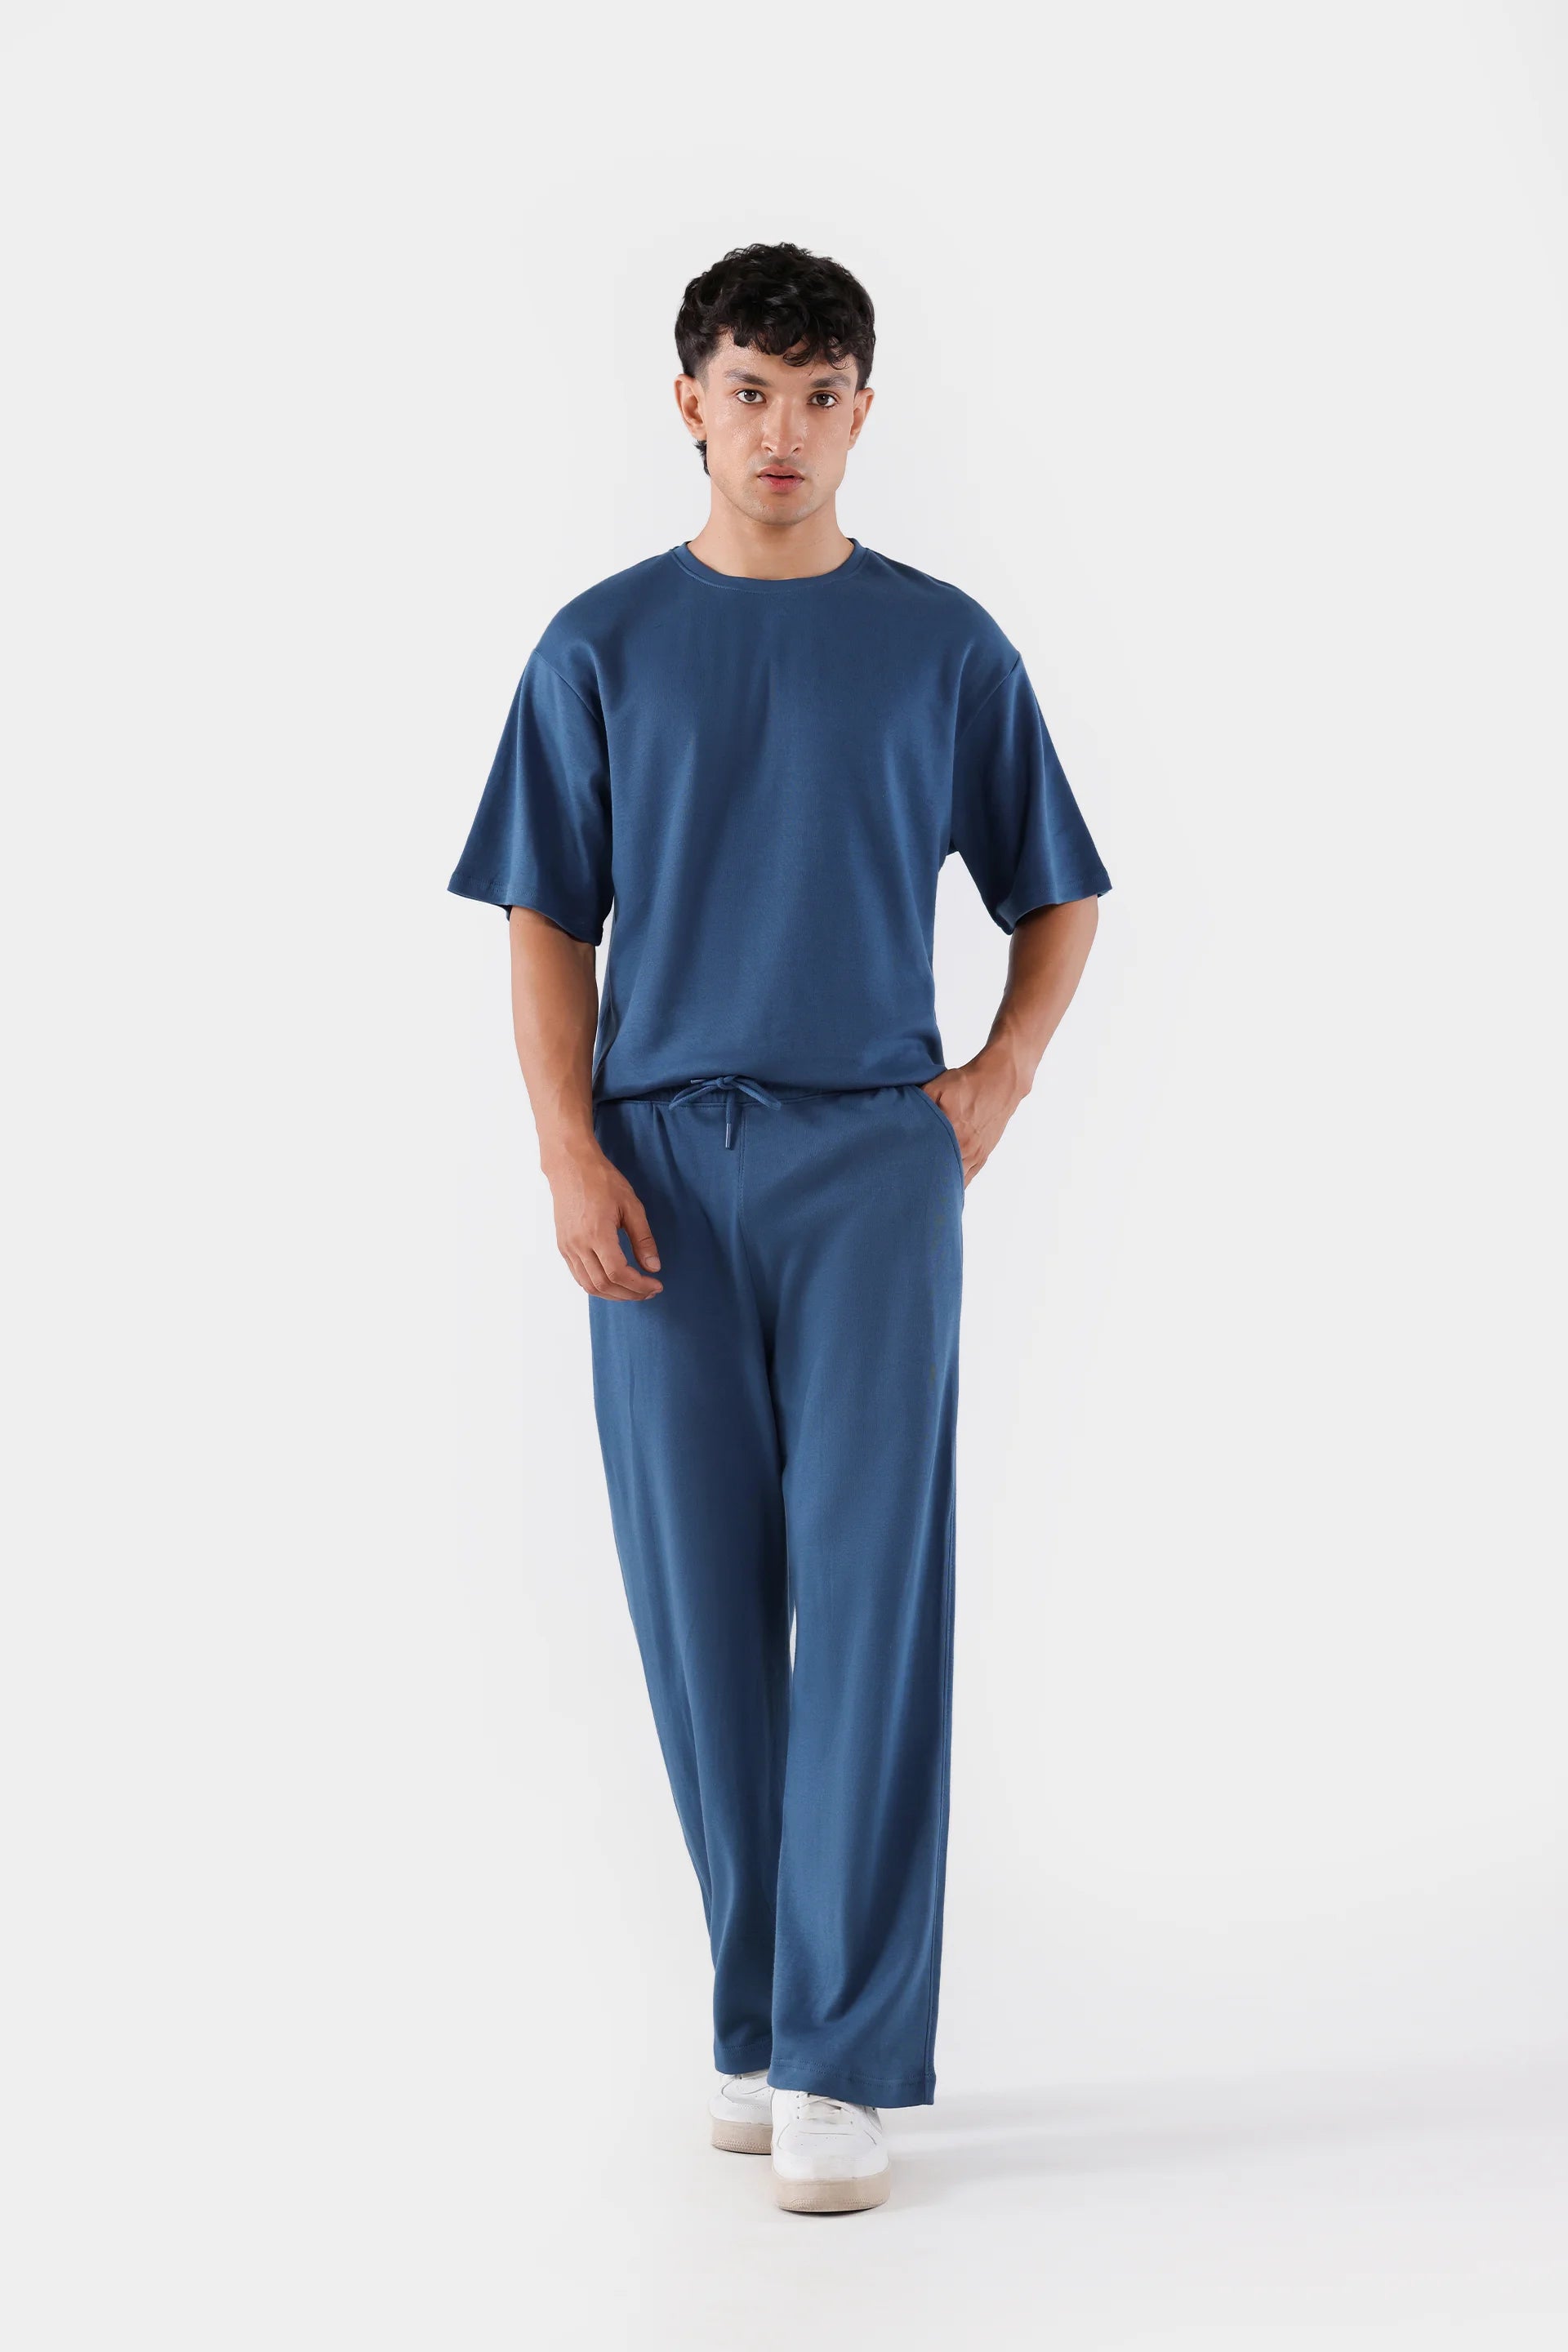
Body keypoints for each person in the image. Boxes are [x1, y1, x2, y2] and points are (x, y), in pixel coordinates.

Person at [448, 241, 1111, 2215]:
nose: (784, 431)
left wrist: (994, 1084)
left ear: (863, 412)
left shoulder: (942, 646)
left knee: (873, 1601)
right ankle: (757, 2015)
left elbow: (1058, 889)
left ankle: (842, 2058)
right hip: (655, 1167)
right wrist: (565, 1150)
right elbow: (547, 921)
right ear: (691, 404)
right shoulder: (598, 647)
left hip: (872, 1168)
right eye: (751, 390)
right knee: (700, 1612)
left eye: (822, 395)